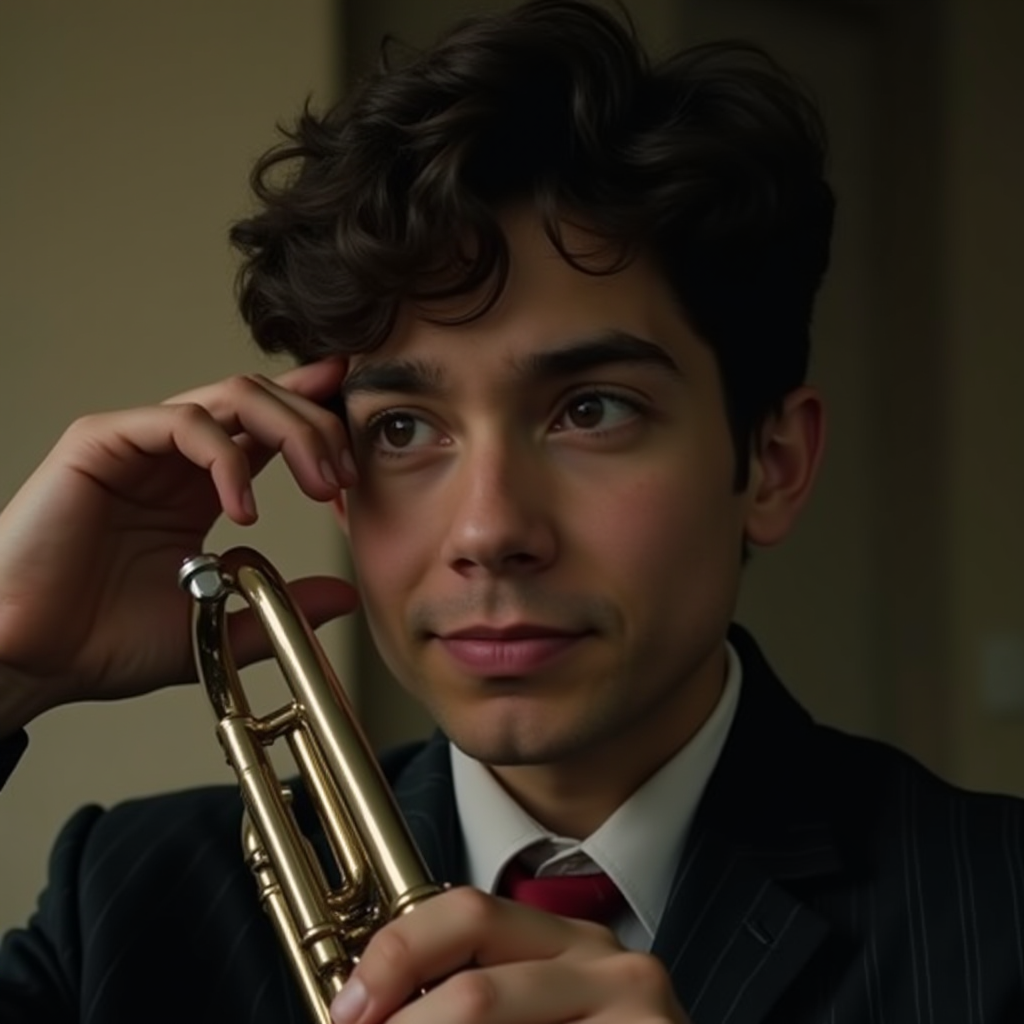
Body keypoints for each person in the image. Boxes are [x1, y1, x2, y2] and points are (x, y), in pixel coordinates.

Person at [1, 1, 1022, 1021]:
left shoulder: (1001, 913)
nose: (489, 531)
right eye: (401, 428)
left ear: (772, 462)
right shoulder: (128, 903)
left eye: (590, 410)